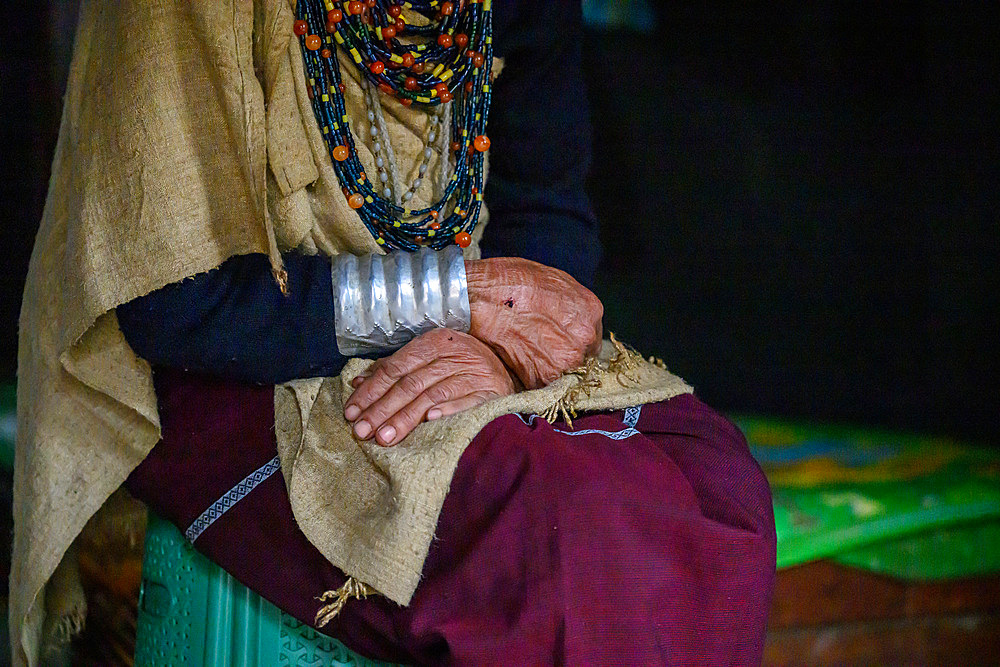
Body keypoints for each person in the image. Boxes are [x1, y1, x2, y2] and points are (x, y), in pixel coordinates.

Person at [11, 1, 775, 665]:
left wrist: (495, 346)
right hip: (242, 363)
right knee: (561, 526)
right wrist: (447, 299)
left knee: (713, 480)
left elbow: (547, 207)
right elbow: (174, 305)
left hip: (476, 331)